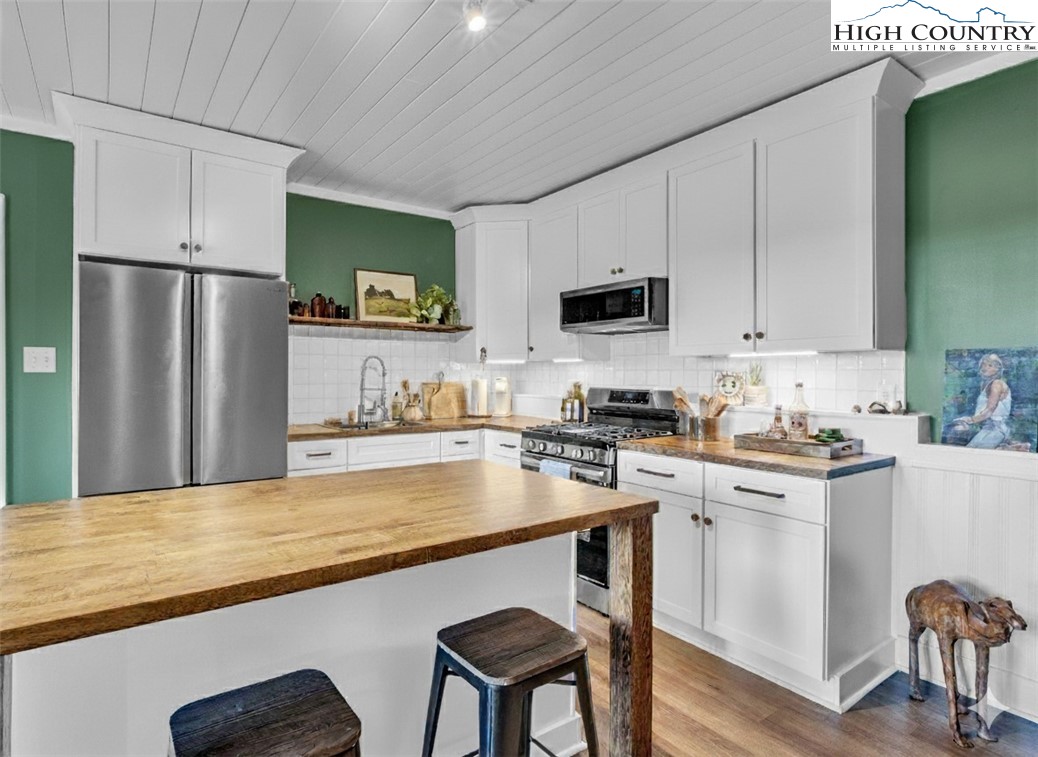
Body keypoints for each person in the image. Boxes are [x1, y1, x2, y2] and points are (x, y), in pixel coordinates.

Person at [954, 354, 1012, 448]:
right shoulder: (987, 384)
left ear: (998, 369)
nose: (985, 368)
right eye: (983, 365)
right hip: (988, 429)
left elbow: (990, 410)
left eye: (990, 365)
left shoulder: (997, 384)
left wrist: (971, 420)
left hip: (996, 430)